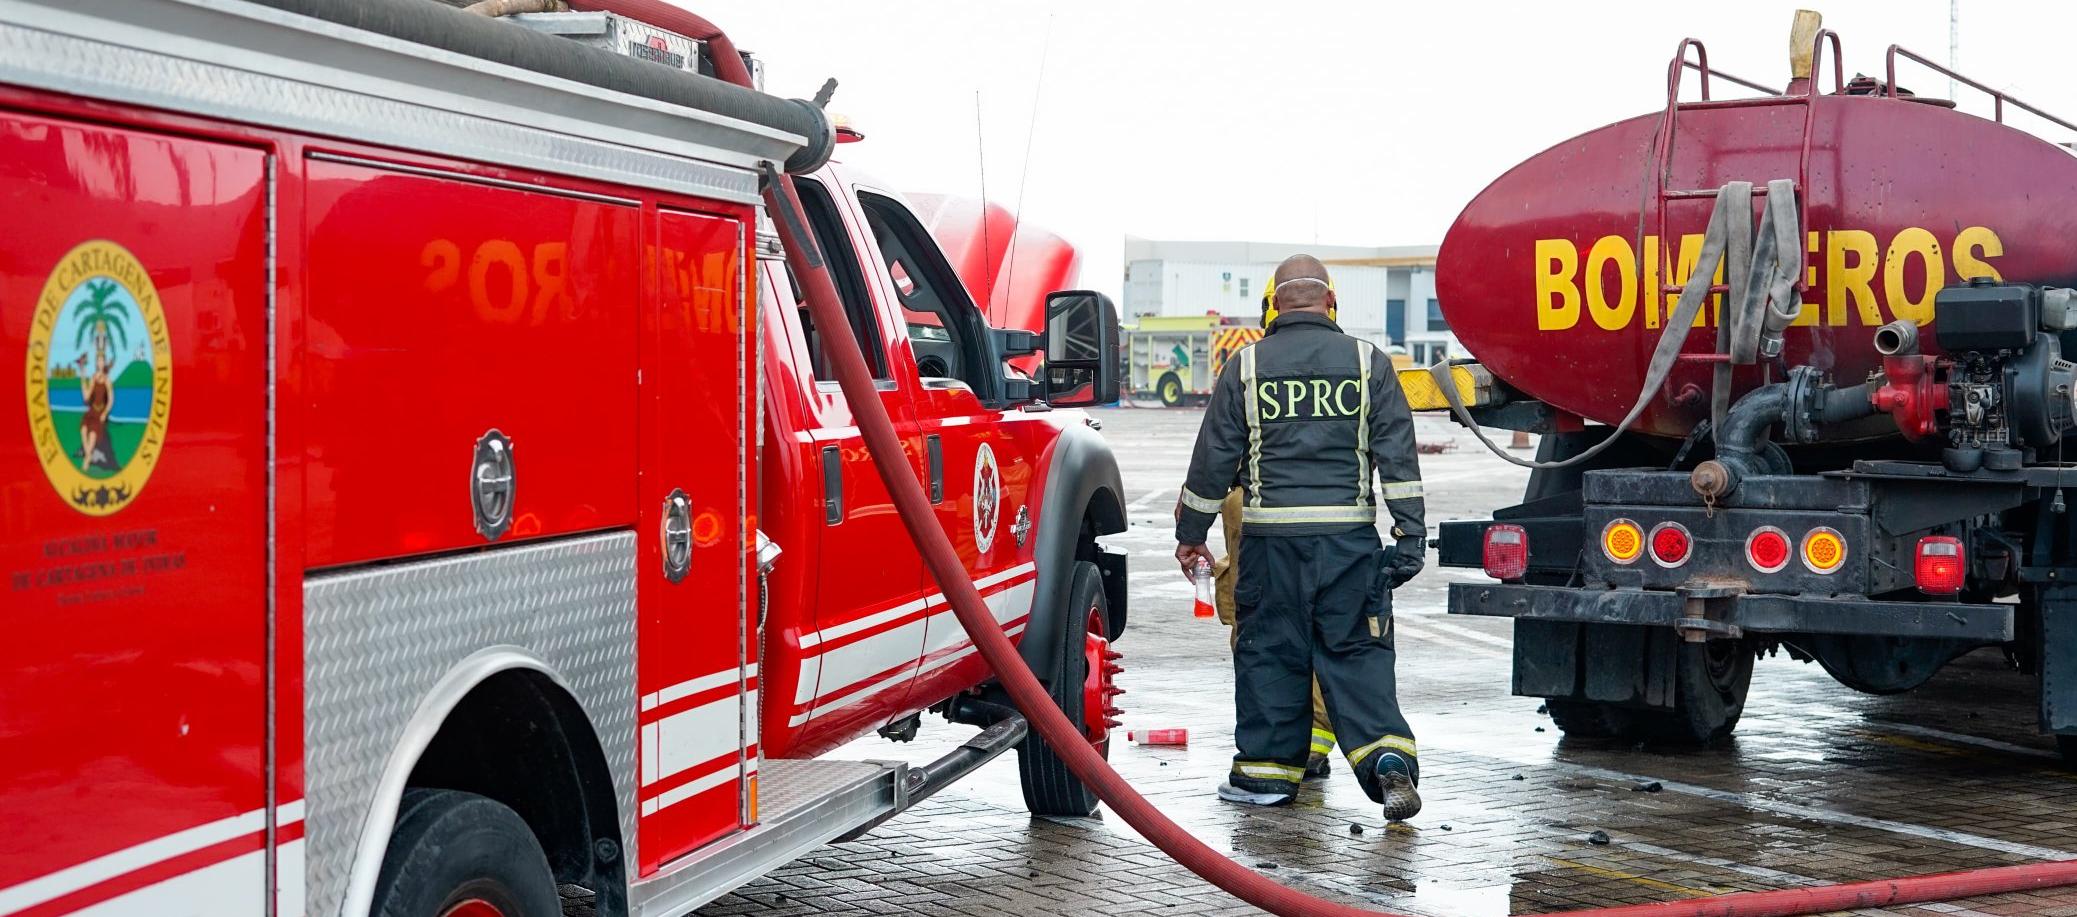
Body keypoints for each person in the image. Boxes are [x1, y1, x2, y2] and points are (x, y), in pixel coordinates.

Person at [1174, 254, 1428, 821]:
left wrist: (1191, 534)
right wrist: (1411, 536)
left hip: (1271, 549)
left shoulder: (1245, 366)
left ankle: (1265, 778)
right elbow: (1398, 458)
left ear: (1273, 308)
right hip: (1350, 547)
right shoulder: (1370, 364)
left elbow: (1214, 461)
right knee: (1358, 656)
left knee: (1270, 657)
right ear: (1331, 303)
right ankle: (1388, 764)